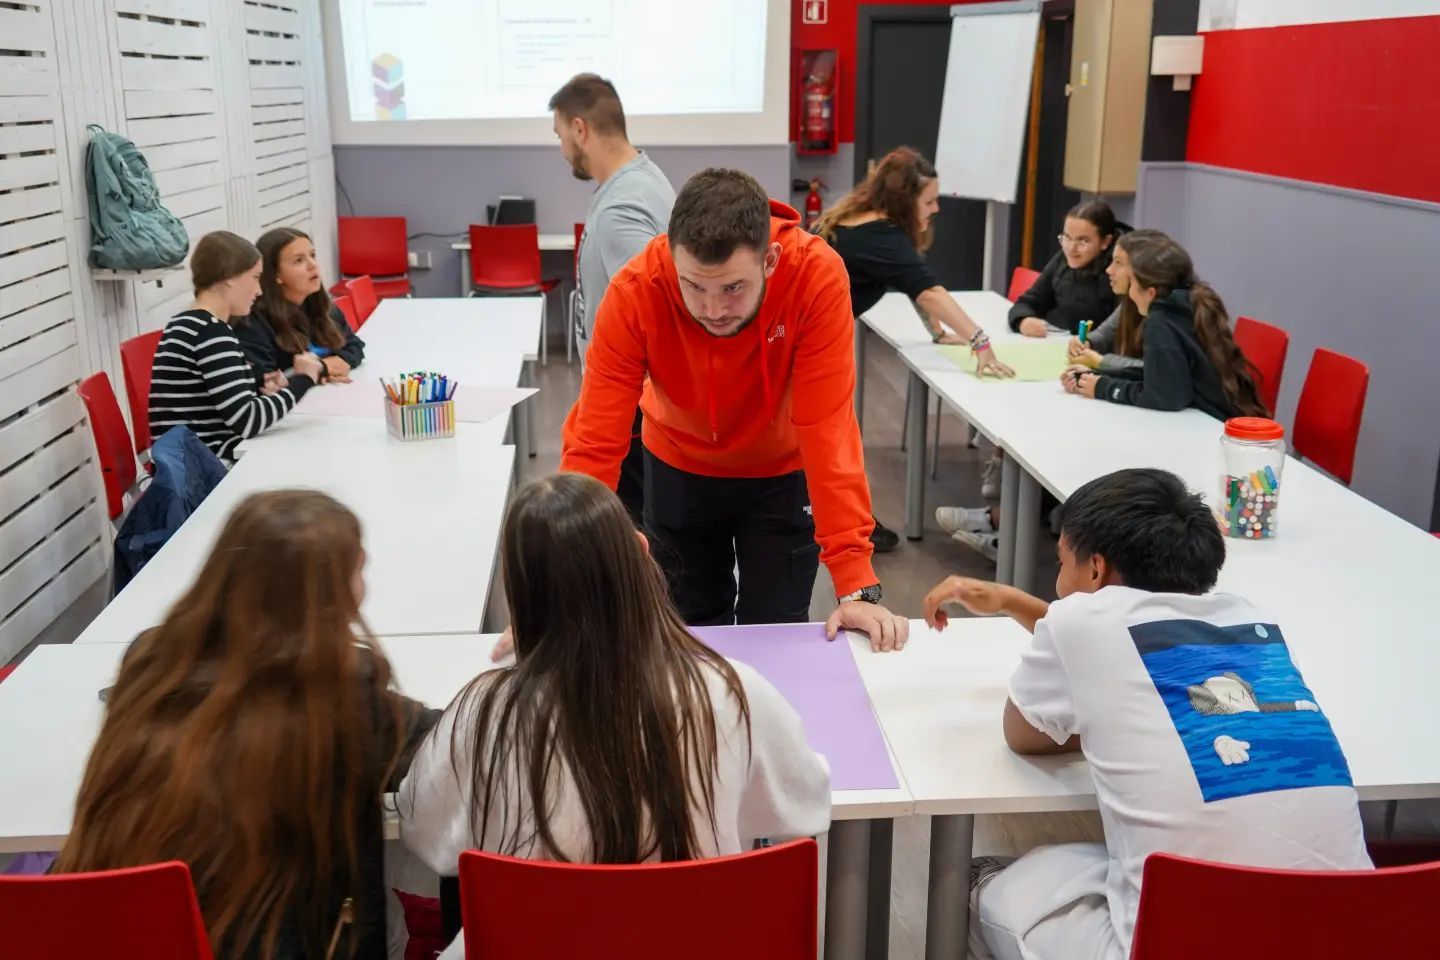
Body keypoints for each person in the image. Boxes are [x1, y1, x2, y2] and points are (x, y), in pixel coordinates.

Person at [922, 468, 1371, 960]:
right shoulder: (1252, 620)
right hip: (1348, 931)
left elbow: (1026, 735)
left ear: (1095, 569)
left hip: (1174, 942)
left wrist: (1106, 715)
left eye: (1061, 563)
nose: (1059, 581)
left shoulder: (1079, 618)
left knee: (977, 880)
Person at [399, 475, 831, 959]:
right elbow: (805, 805)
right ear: (641, 551)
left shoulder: (482, 714)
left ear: (518, 592)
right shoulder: (733, 691)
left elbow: (426, 835)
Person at [57, 489, 441, 960]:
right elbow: (457, 746)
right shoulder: (342, 697)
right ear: (334, 590)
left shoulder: (152, 662)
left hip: (125, 935)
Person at [558, 167, 910, 652]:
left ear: (770, 260)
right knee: (691, 636)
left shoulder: (815, 276)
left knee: (777, 633)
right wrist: (573, 556)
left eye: (732, 288)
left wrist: (856, 582)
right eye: (694, 287)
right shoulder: (636, 289)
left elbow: (828, 428)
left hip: (781, 475)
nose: (712, 308)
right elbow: (595, 438)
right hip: (679, 468)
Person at [818, 146, 1014, 553]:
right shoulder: (882, 235)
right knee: (832, 439)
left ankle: (849, 521)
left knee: (830, 439)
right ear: (905, 201)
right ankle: (851, 527)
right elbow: (928, 291)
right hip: (806, 345)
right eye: (929, 200)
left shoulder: (859, 218)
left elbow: (911, 283)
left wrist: (938, 331)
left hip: (798, 337)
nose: (937, 207)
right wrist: (981, 343)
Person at [550, 72, 675, 524]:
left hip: (632, 414)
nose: (562, 148)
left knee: (633, 544)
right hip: (634, 408)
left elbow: (652, 313)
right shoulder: (641, 179)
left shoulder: (623, 206)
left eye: (561, 134)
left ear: (580, 128)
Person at [148, 231, 321, 461]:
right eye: (255, 277)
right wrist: (304, 380)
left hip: (191, 461)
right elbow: (247, 421)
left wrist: (262, 389)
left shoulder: (185, 323)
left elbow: (222, 405)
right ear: (229, 276)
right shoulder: (211, 332)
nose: (259, 290)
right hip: (210, 467)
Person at [1062, 231, 1268, 419]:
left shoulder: (1160, 320)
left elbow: (1166, 395)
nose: (1110, 269)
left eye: (1119, 263)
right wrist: (1102, 377)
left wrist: (1104, 387)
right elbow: (1164, 376)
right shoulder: (1184, 302)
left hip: (1211, 428)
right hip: (1212, 420)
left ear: (1149, 289)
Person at [236, 227, 364, 388]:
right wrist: (319, 370)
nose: (312, 265)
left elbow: (355, 345)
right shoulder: (254, 324)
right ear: (276, 275)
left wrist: (335, 364)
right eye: (299, 260)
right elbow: (263, 382)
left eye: (312, 255)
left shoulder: (325, 309)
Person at [1009, 200, 1123, 338]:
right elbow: (1029, 301)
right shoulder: (1062, 259)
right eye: (1067, 237)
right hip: (1061, 343)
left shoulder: (1119, 272)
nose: (1071, 248)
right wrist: (1023, 320)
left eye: (1083, 241)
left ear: (1105, 242)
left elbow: (1121, 330)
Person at [1064, 228, 1167, 376]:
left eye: (1118, 262)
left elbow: (1157, 370)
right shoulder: (1133, 299)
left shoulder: (1168, 312)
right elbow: (1105, 334)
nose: (1109, 270)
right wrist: (1086, 343)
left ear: (1141, 268)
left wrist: (1100, 361)